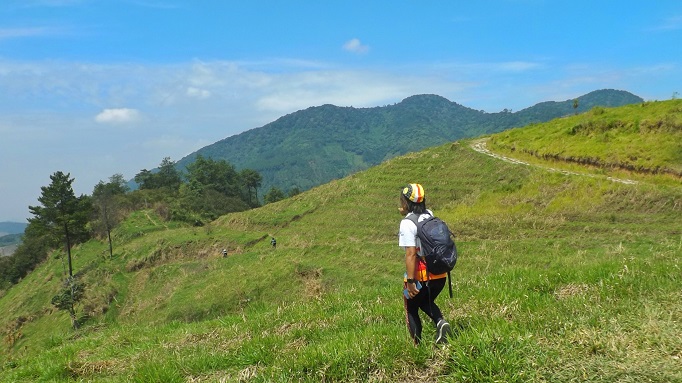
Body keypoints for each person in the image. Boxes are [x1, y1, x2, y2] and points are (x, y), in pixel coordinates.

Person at [398, 183, 452, 345]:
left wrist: (411, 281)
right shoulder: (429, 214)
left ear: (406, 203)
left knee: (411, 308)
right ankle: (441, 322)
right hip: (440, 273)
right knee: (426, 302)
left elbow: (411, 253)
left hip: (420, 276)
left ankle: (417, 346)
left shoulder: (407, 223)